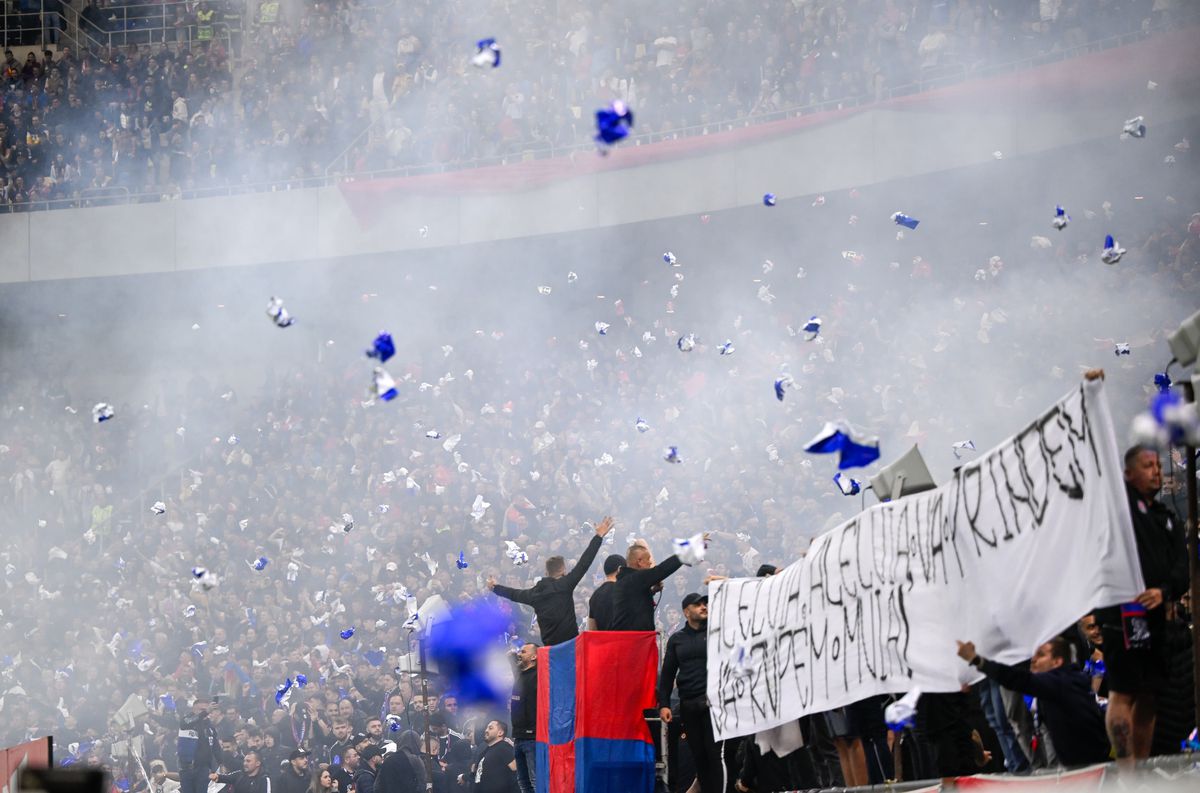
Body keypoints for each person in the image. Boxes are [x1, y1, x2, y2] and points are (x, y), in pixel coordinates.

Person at [1095, 445, 1187, 762]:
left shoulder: (1168, 518)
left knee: (1150, 693)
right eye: (1147, 466)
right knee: (1124, 691)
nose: (1156, 471)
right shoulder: (1121, 509)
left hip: (1157, 617)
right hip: (1121, 614)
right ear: (1129, 473)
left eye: (1158, 466)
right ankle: (1125, 770)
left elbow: (1183, 567)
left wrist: (1164, 591)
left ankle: (1142, 767)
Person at [956, 637, 1110, 767]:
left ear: (1057, 661)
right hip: (1079, 767)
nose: (1033, 660)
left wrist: (977, 659)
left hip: (1089, 770)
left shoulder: (1062, 683)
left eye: (1041, 655)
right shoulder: (1060, 683)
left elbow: (1015, 678)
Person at [488, 516, 613, 645]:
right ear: (563, 570)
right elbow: (584, 563)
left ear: (547, 573)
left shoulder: (534, 594)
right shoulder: (565, 585)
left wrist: (495, 588)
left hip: (550, 650)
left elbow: (514, 594)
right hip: (570, 646)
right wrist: (598, 536)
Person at [658, 593, 723, 793]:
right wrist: (665, 704)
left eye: (705, 604)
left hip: (712, 704)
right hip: (688, 705)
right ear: (687, 612)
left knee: (714, 755)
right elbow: (668, 674)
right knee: (699, 755)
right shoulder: (677, 640)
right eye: (698, 605)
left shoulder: (716, 633)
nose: (704, 607)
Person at [611, 537, 704, 631]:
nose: (650, 562)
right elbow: (660, 570)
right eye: (647, 559)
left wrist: (652, 592)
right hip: (634, 639)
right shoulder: (634, 578)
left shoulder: (624, 580)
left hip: (629, 636)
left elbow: (634, 600)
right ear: (639, 561)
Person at [510, 644, 538, 793]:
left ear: (534, 657)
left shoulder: (539, 675)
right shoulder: (520, 674)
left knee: (536, 782)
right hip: (518, 736)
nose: (519, 654)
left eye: (523, 651)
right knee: (523, 783)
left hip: (532, 737)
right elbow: (511, 657)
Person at [179, 698, 221, 793]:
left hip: (203, 768)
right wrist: (205, 712)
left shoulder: (209, 726)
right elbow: (184, 724)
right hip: (187, 768)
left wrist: (222, 763)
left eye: (207, 709)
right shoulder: (187, 720)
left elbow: (216, 747)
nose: (206, 712)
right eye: (202, 710)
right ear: (194, 710)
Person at [468, 720, 517, 793]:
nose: (486, 730)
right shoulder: (485, 751)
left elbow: (515, 768)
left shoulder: (503, 747)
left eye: (490, 728)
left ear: (500, 733)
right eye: (486, 728)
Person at [587, 553, 625, 630]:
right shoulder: (624, 591)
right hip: (622, 640)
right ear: (619, 569)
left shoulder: (595, 595)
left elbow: (592, 629)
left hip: (603, 641)